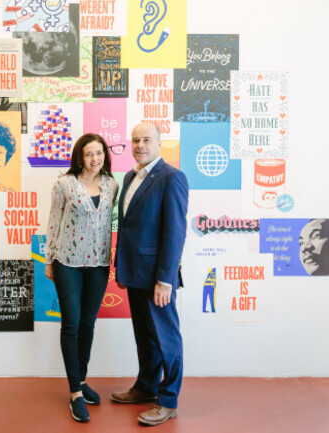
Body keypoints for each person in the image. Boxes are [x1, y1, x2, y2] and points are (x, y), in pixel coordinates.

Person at [111, 123, 189, 426]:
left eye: (146, 140)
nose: (140, 145)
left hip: (158, 278)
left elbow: (175, 233)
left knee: (166, 338)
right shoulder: (130, 176)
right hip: (134, 272)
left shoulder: (172, 178)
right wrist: (123, 267)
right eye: (135, 140)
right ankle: (146, 387)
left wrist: (165, 279)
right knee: (145, 337)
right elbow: (129, 228)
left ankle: (168, 400)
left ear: (159, 143)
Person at [44, 133, 119, 423]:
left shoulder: (111, 184)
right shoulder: (64, 184)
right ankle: (75, 392)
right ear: (80, 156)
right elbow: (53, 221)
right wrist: (49, 259)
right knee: (71, 324)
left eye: (99, 153)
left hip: (99, 263)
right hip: (68, 263)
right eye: (89, 154)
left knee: (88, 323)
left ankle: (83, 379)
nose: (95, 159)